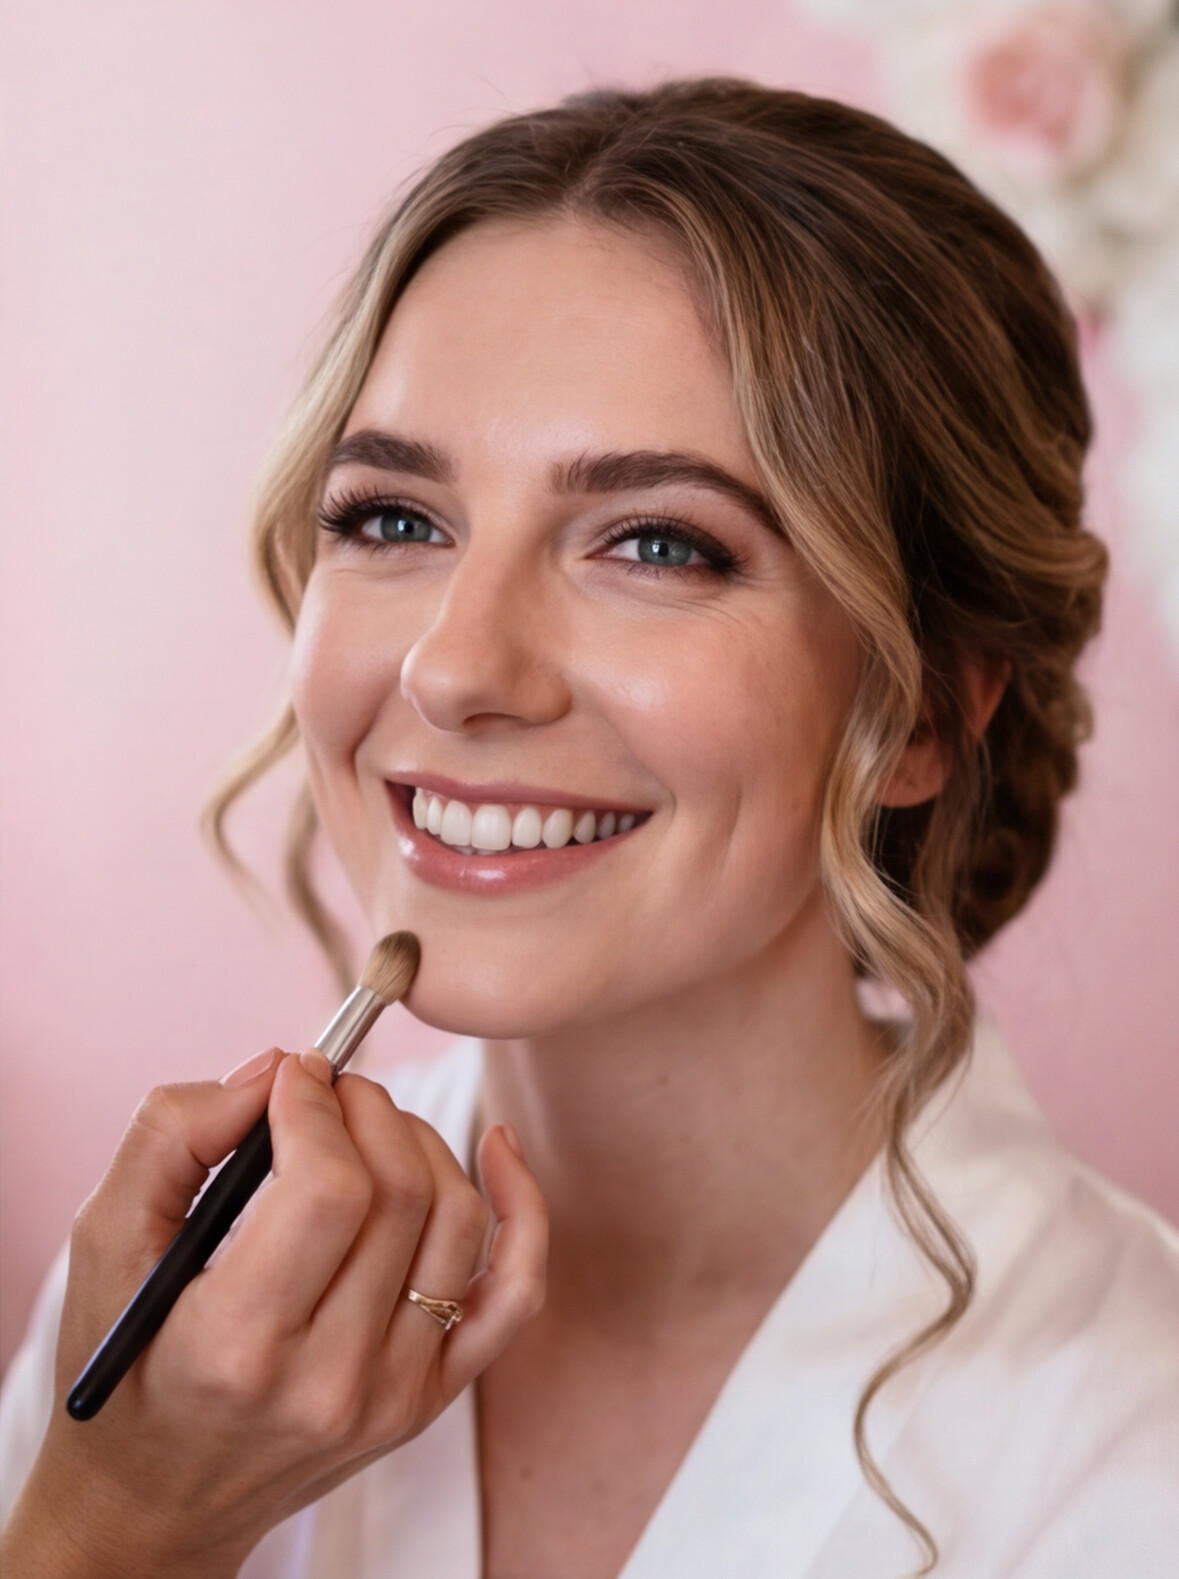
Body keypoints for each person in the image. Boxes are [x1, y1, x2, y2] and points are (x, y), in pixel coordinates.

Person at [1, 78, 1176, 1579]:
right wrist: (115, 1513)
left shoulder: (1133, 1456)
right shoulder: (180, 1309)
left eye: (657, 543)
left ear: (925, 712)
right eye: (393, 519)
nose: (454, 669)